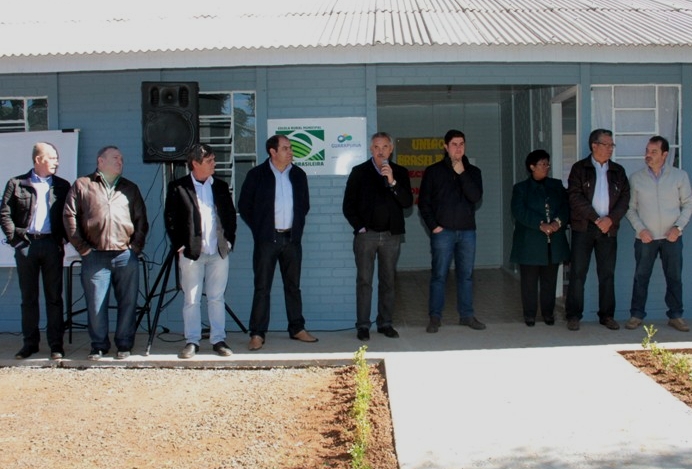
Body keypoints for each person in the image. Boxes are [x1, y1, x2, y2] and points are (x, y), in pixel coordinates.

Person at [63, 145, 148, 360]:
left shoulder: (130, 187)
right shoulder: (83, 185)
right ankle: (99, 345)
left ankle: (124, 344)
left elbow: (141, 220)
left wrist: (135, 248)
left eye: (121, 158)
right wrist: (83, 249)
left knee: (128, 302)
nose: (120, 161)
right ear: (100, 161)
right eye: (115, 157)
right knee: (96, 302)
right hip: (95, 255)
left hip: (124, 255)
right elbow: (69, 217)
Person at [238, 134, 318, 351]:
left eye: (290, 148)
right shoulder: (257, 175)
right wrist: (261, 228)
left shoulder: (299, 175)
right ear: (272, 152)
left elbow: (304, 205)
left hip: (292, 239)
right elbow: (244, 205)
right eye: (285, 148)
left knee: (293, 287)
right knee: (262, 287)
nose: (290, 151)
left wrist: (297, 226)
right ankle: (257, 333)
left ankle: (297, 329)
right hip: (267, 240)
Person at [164, 144, 238, 358]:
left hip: (218, 252)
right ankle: (192, 341)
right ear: (195, 164)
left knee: (216, 297)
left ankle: (218, 340)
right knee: (192, 299)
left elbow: (230, 217)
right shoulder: (179, 187)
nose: (214, 164)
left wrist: (229, 241)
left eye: (213, 159)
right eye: (209, 161)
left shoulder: (221, 186)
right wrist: (179, 244)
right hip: (191, 253)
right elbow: (171, 219)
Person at [0, 142, 70, 359]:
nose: (57, 162)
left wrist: (63, 240)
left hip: (51, 245)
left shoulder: (62, 185)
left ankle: (56, 346)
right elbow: (4, 213)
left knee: (54, 298)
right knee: (28, 298)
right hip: (27, 245)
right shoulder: (17, 183)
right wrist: (16, 241)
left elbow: (70, 215)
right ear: (39, 159)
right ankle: (30, 344)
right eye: (53, 158)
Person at [343, 132, 413, 341]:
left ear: (391, 149)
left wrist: (392, 182)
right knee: (364, 281)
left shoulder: (400, 172)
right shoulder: (359, 172)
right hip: (367, 237)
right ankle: (363, 326)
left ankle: (385, 323)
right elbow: (348, 206)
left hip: (391, 237)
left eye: (384, 147)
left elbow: (407, 202)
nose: (380, 150)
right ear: (370, 149)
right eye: (376, 147)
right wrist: (360, 228)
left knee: (388, 281)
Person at [418, 129, 485, 333]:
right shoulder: (433, 171)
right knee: (439, 275)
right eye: (454, 144)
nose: (458, 148)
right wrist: (433, 226)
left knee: (466, 276)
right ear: (445, 147)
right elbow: (423, 203)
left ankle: (466, 315)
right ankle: (435, 317)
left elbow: (475, 197)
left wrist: (462, 173)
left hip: (467, 233)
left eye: (462, 144)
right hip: (443, 232)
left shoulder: (473, 172)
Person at [625, 136, 692, 332]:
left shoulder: (679, 176)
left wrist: (678, 228)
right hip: (646, 238)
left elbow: (688, 205)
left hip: (672, 238)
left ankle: (676, 315)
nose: (648, 155)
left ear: (665, 154)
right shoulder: (636, 178)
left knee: (674, 277)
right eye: (647, 150)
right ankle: (636, 315)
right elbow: (630, 209)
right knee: (641, 276)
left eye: (653, 152)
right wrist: (641, 229)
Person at [565, 129, 630, 331]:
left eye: (612, 145)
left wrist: (610, 219)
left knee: (607, 274)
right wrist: (596, 218)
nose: (610, 148)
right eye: (607, 144)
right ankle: (574, 315)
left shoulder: (618, 171)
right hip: (584, 228)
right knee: (577, 273)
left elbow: (625, 199)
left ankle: (607, 316)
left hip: (608, 229)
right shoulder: (579, 168)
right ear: (594, 145)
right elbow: (574, 197)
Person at [510, 150, 570, 327]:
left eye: (547, 164)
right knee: (529, 281)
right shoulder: (521, 188)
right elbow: (519, 211)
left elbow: (565, 208)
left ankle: (548, 313)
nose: (546, 167)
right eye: (543, 164)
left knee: (549, 281)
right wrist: (540, 224)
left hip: (553, 242)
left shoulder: (556, 185)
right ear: (532, 167)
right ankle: (529, 314)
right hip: (530, 243)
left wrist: (557, 223)